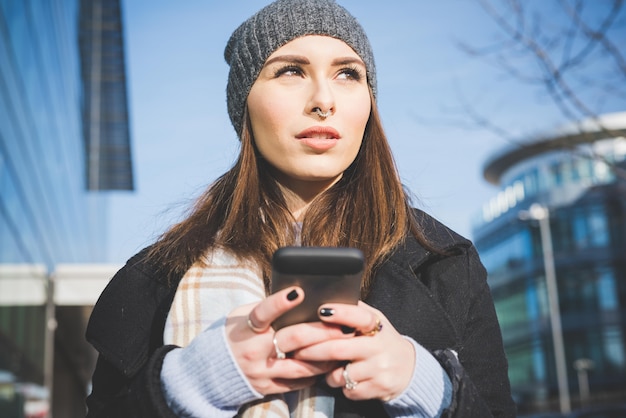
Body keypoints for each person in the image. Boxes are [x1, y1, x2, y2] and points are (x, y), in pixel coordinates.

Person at [85, 0, 516, 417]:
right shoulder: (158, 275)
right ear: (244, 104)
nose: (323, 100)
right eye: (291, 70)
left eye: (348, 74)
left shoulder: (446, 264)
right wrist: (188, 384)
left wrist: (424, 383)